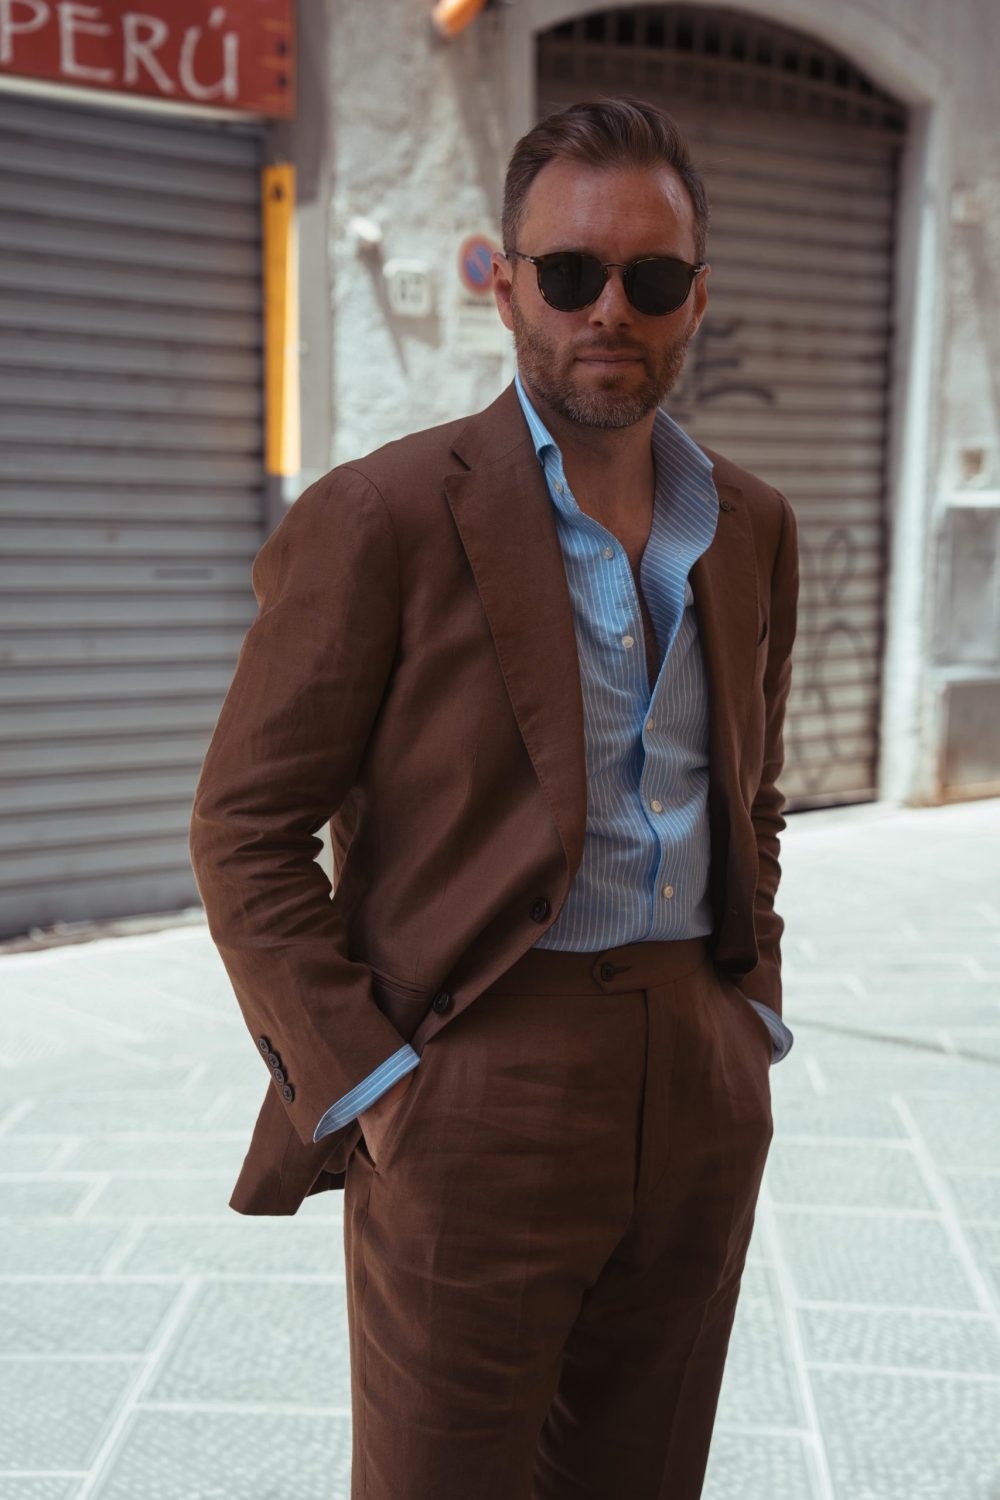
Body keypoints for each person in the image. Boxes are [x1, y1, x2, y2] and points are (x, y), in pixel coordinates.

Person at [189, 94, 798, 1500]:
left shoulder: (751, 524)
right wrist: (376, 1081)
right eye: (570, 274)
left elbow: (750, 794)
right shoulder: (385, 514)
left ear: (695, 297)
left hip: (696, 1075)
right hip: (475, 1074)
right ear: (506, 279)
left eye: (649, 280)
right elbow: (245, 824)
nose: (609, 312)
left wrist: (748, 1010)